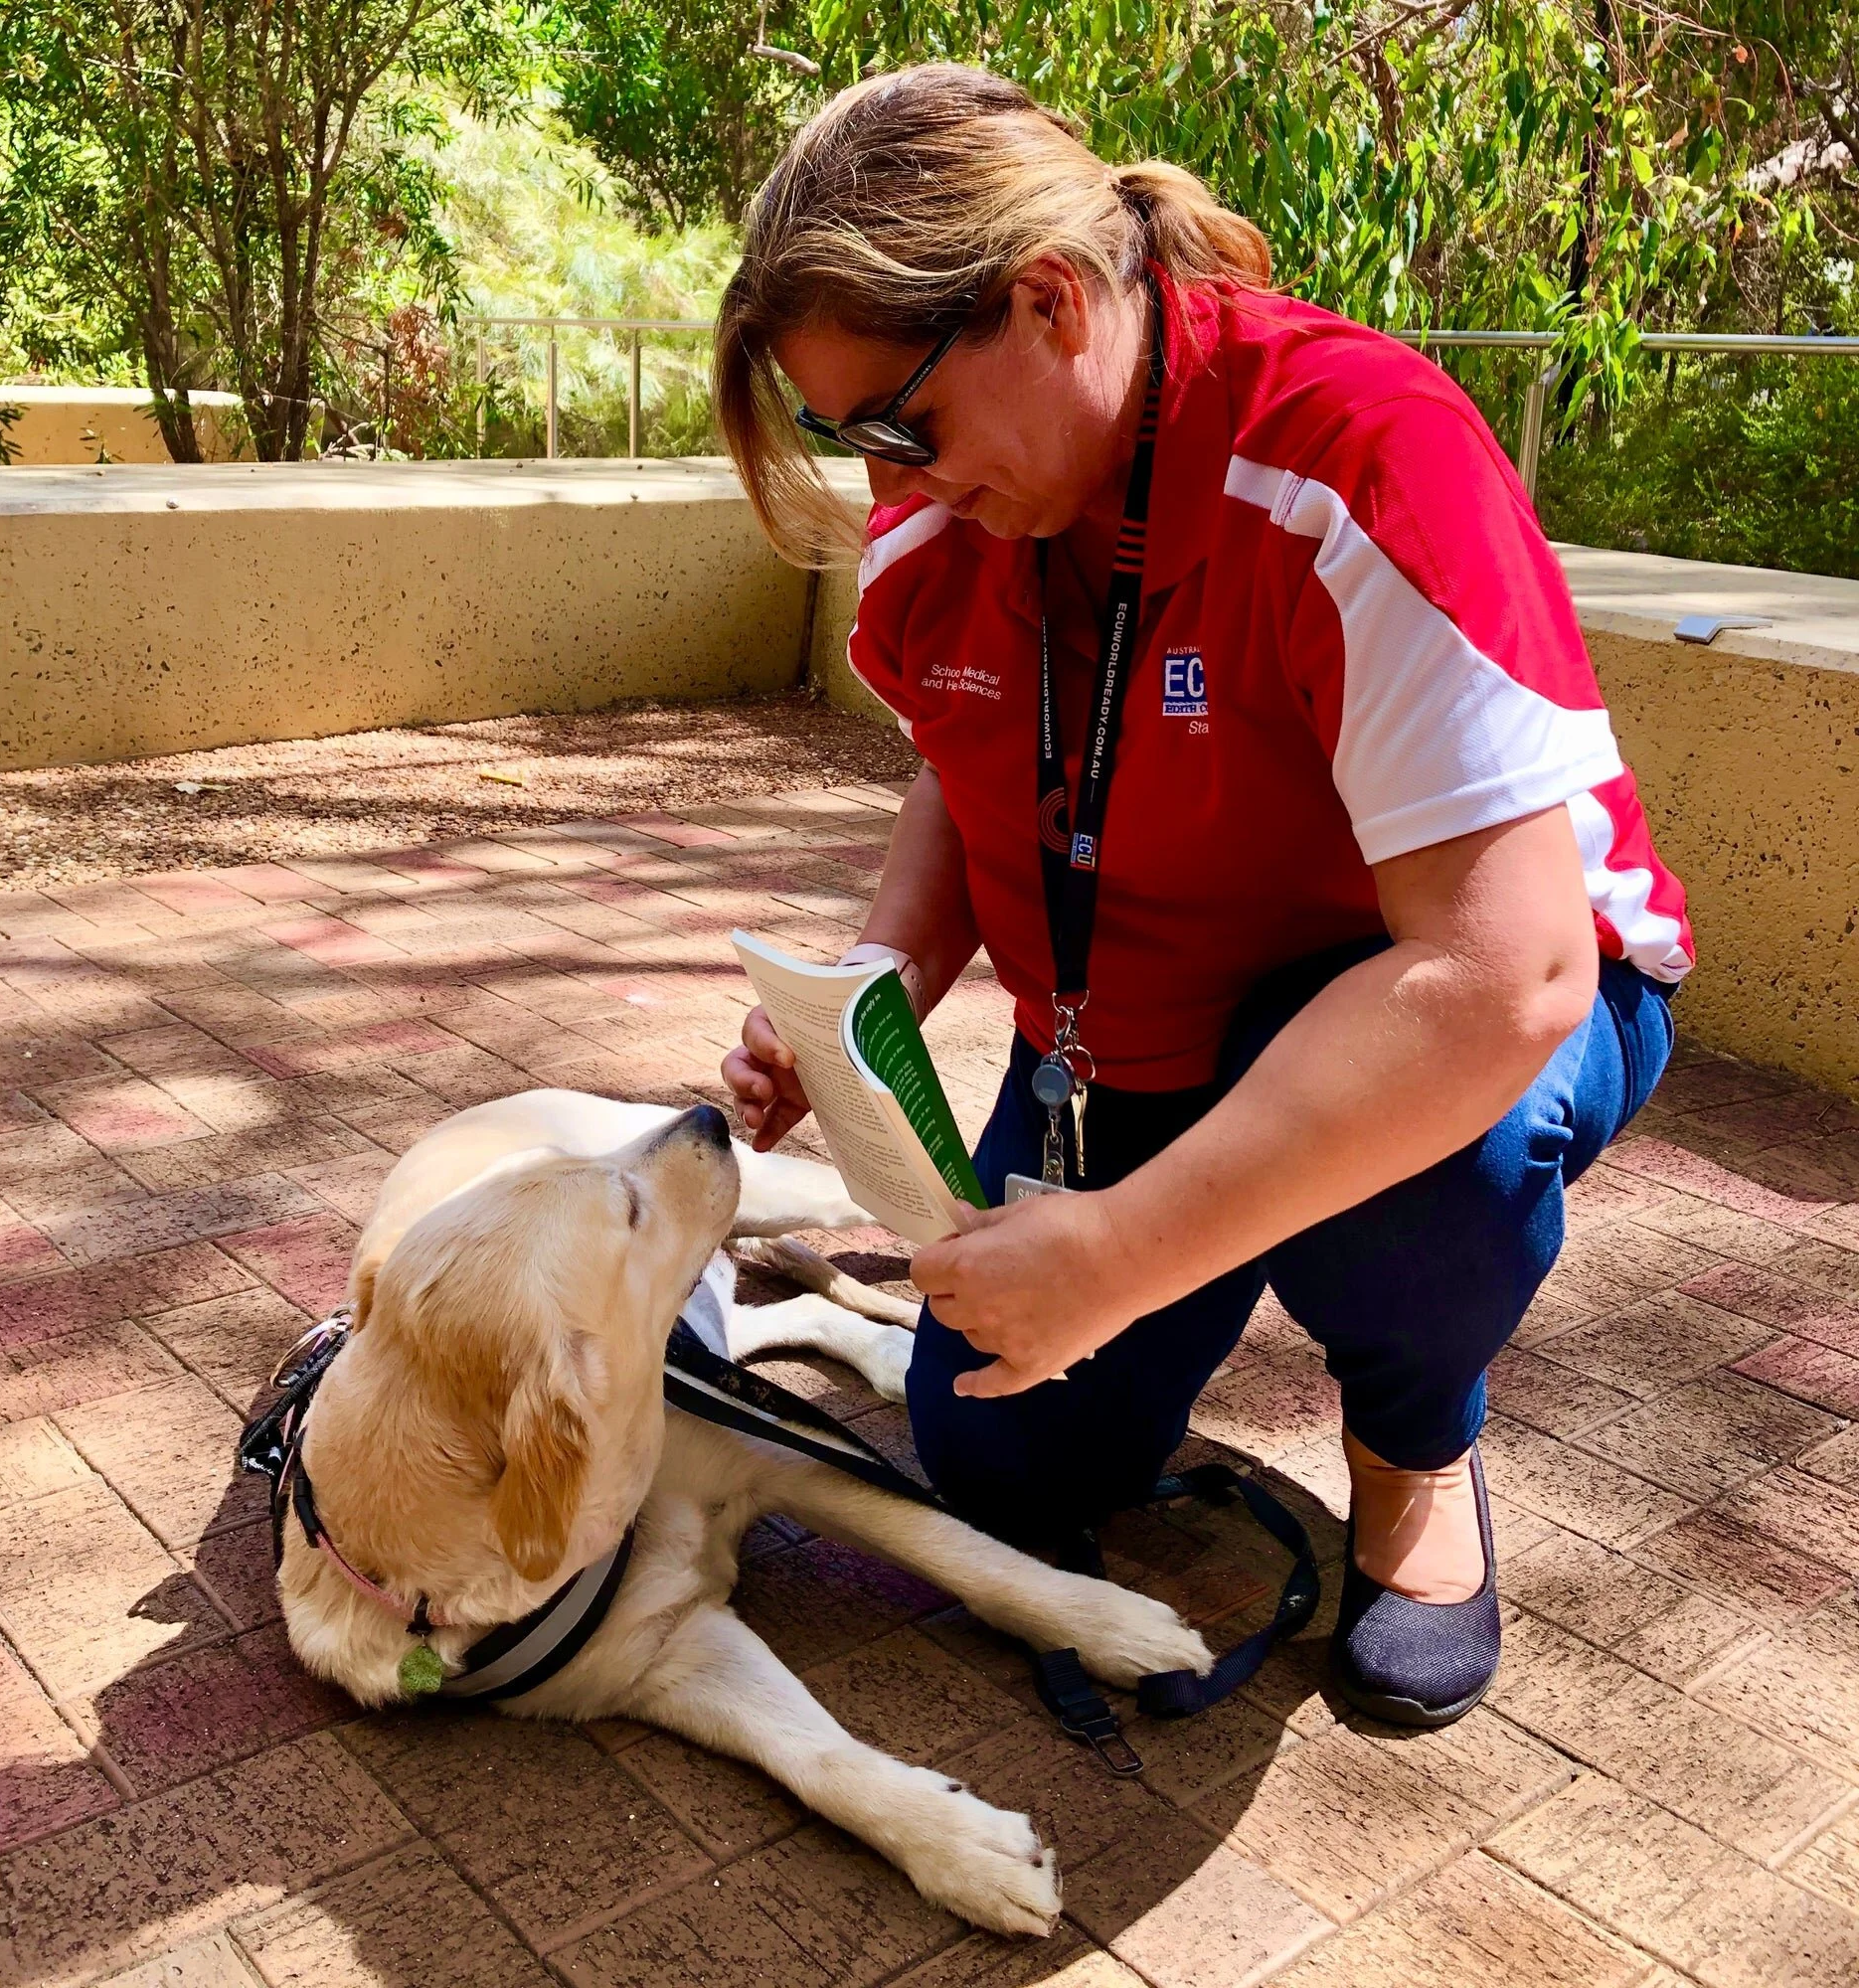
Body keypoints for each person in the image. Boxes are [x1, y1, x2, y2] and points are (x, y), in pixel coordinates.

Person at [711, 64, 1688, 1729]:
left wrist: (1124, 1251)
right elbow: (966, 748)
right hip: (1123, 1035)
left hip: (1430, 1002)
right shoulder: (960, 489)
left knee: (1434, 1158)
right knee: (999, 1453)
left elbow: (1500, 969)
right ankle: (1181, 1260)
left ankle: (1414, 1449)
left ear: (1048, 302)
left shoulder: (1357, 451)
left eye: (902, 420)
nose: (893, 472)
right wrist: (874, 989)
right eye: (848, 433)